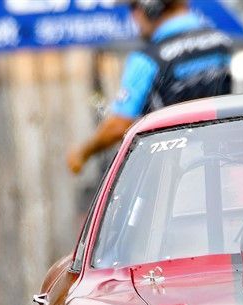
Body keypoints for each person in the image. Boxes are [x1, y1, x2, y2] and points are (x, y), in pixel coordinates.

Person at [66, 0, 232, 175]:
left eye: (134, 7)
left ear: (152, 7)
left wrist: (83, 153)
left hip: (177, 171)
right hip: (222, 160)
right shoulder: (219, 42)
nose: (133, 16)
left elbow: (119, 126)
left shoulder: (146, 59)